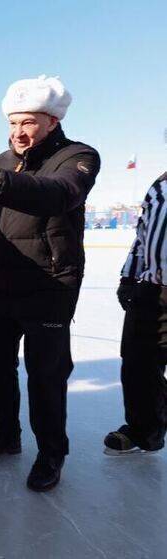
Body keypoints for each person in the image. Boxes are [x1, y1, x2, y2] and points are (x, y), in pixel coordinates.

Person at [0, 75, 100, 491]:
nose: (18, 132)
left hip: (49, 286)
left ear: (51, 121)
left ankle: (51, 454)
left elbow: (58, 194)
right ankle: (6, 435)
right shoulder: (0, 161)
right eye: (13, 123)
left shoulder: (77, 157)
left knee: (45, 375)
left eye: (28, 122)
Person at [105, 172, 167, 455]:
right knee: (137, 366)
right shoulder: (160, 185)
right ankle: (144, 431)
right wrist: (129, 278)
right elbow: (142, 238)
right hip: (151, 290)